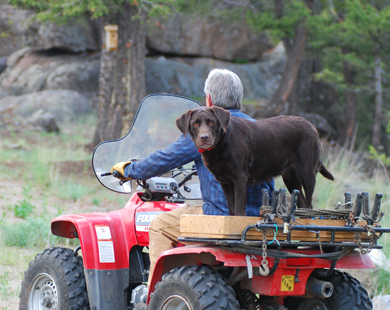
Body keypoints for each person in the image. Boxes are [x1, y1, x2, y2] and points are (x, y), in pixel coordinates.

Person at [111, 69, 275, 279]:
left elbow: (163, 159)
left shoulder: (205, 129)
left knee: (159, 225)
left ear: (209, 99)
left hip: (221, 216)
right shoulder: (258, 127)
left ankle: (157, 294)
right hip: (261, 219)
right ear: (239, 99)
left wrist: (128, 170)